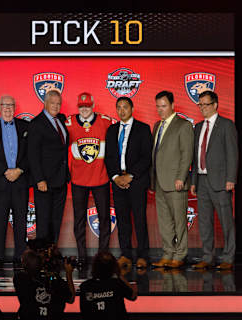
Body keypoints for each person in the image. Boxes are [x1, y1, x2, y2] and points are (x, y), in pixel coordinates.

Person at [190, 91, 238, 270]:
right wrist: (193, 180)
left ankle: (228, 257)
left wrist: (231, 178)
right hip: (202, 181)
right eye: (200, 105)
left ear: (215, 104)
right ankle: (207, 256)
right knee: (204, 221)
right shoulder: (198, 127)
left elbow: (233, 154)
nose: (202, 108)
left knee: (226, 221)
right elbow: (195, 157)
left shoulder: (226, 125)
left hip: (221, 181)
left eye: (206, 104)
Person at [104, 97, 152, 269]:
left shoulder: (143, 129)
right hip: (118, 181)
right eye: (118, 107)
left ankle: (143, 255)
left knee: (139, 219)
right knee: (122, 219)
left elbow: (147, 157)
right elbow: (108, 157)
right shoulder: (111, 130)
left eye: (125, 107)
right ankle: (125, 254)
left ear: (132, 108)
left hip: (136, 181)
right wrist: (116, 177)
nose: (121, 110)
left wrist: (130, 176)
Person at [65, 92, 112, 266]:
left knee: (104, 218)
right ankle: (82, 255)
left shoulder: (105, 121)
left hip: (101, 177)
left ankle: (104, 255)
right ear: (78, 107)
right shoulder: (69, 123)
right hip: (79, 180)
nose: (84, 109)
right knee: (79, 219)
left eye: (87, 106)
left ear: (93, 106)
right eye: (81, 106)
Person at [0, 95, 29, 269]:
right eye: (5, 105)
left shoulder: (26, 126)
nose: (8, 109)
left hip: (20, 181)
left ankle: (20, 256)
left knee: (20, 221)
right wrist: (5, 171)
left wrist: (18, 170)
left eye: (11, 105)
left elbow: (30, 154)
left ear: (15, 107)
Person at [150, 91, 194, 269]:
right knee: (165, 221)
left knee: (179, 221)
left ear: (173, 105)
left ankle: (180, 254)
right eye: (158, 106)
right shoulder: (156, 126)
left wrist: (181, 177)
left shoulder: (183, 125)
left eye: (164, 106)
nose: (160, 110)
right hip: (159, 181)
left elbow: (187, 154)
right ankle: (168, 253)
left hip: (176, 181)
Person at [28, 90, 69, 244]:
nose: (56, 106)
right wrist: (39, 179)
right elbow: (33, 154)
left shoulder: (61, 120)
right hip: (44, 182)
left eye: (58, 103)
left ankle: (52, 253)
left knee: (56, 220)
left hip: (61, 179)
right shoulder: (36, 123)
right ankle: (42, 256)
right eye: (52, 103)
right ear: (45, 103)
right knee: (44, 220)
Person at [13, 247, 75, 320]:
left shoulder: (20, 279)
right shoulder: (57, 282)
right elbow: (71, 299)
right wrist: (68, 273)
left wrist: (40, 260)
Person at [79, 252, 137, 320]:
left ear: (94, 266)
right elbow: (133, 296)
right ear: (113, 267)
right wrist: (119, 274)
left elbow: (84, 312)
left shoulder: (85, 286)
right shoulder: (117, 284)